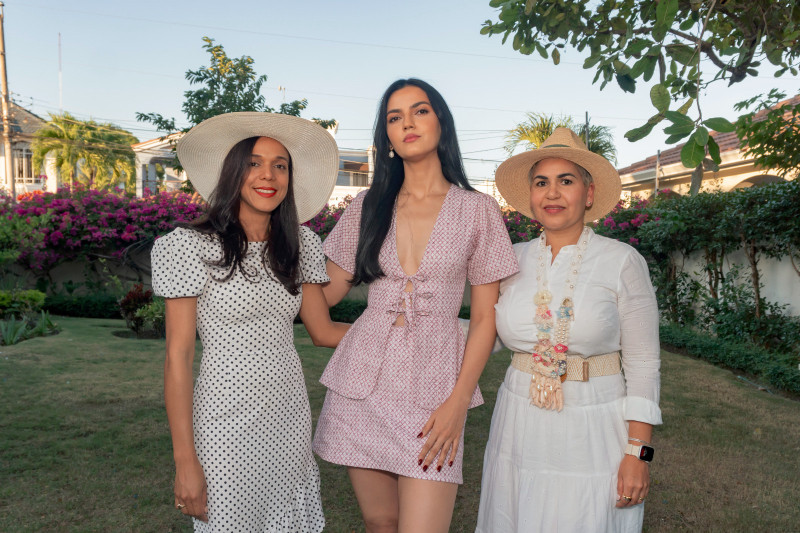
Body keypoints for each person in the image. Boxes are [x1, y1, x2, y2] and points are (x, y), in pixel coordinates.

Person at [311, 79, 519, 532]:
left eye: (419, 111)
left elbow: (485, 318)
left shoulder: (478, 209)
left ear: (441, 122)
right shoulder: (366, 205)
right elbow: (323, 293)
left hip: (434, 391)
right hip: (360, 386)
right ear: (385, 136)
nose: (406, 123)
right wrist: (277, 259)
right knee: (380, 523)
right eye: (394, 116)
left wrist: (458, 402)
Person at [151, 112, 349, 532]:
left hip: (288, 414)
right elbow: (178, 357)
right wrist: (185, 461)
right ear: (233, 171)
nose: (269, 175)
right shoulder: (187, 246)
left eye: (281, 165)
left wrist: (403, 330)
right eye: (255, 162)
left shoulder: (301, 243)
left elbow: (324, 331)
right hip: (223, 420)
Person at [476, 127, 662, 532]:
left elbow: (645, 362)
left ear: (589, 193)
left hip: (596, 426)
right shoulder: (509, 259)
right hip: (519, 421)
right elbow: (481, 334)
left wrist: (638, 452)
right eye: (542, 182)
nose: (552, 194)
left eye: (566, 181)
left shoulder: (622, 261)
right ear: (531, 196)